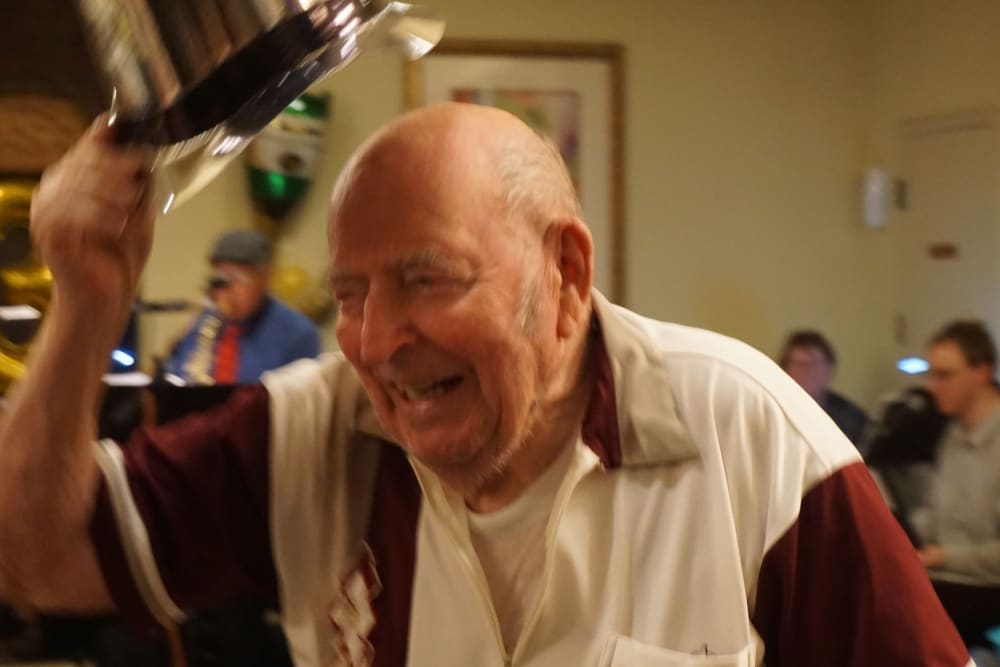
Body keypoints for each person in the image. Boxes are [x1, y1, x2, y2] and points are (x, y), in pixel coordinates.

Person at [0, 103, 971, 667]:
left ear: (567, 275)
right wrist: (87, 304)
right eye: (350, 292)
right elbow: (32, 556)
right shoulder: (312, 435)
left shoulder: (752, 442)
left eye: (426, 277)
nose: (376, 339)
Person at [164, 229, 321, 384]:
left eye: (236, 278)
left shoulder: (297, 333)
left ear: (264, 277)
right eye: (220, 278)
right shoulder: (204, 323)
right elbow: (177, 373)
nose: (225, 290)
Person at [914, 320, 1000, 585]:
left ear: (981, 373)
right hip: (945, 582)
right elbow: (932, 520)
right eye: (930, 375)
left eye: (944, 375)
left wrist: (945, 557)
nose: (931, 387)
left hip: (985, 595)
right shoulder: (951, 436)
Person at [778, 329, 870, 445]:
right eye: (800, 365)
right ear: (785, 371)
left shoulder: (852, 418)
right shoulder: (771, 413)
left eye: (815, 364)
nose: (808, 371)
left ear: (829, 369)